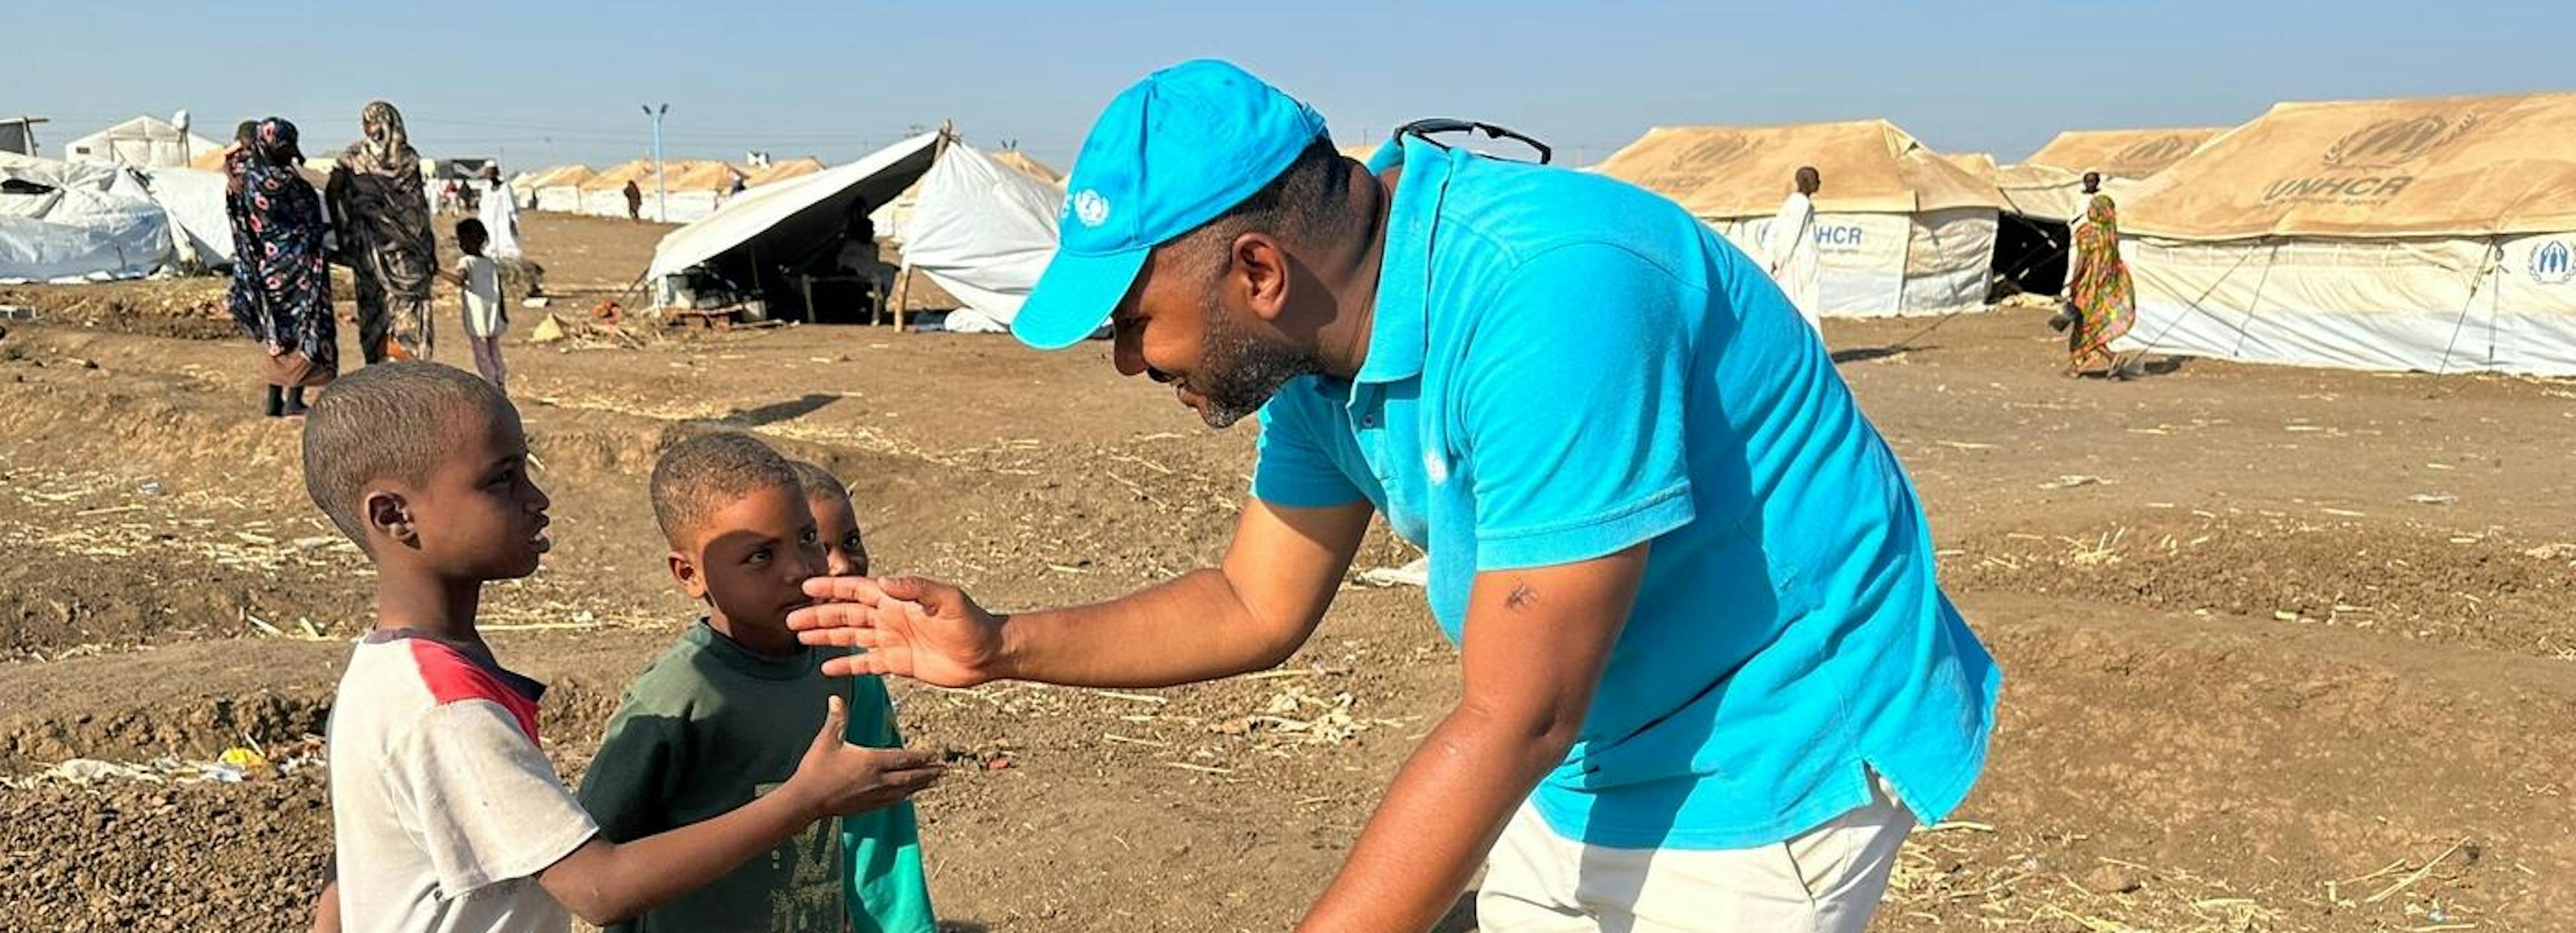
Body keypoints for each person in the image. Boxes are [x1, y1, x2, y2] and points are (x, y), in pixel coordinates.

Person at [791, 60, 1997, 933]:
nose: (1128, 365)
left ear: (1257, 271)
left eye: (1131, 326)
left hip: (1770, 745)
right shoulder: (1322, 357)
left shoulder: (1549, 296)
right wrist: (999, 646)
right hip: (1598, 734)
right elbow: (1252, 602)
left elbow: (1520, 715)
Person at [299, 362, 945, 933]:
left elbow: (350, 865)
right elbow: (598, 889)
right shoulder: (446, 708)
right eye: (502, 481)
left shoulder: (385, 674)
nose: (538, 499)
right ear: (393, 516)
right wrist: (806, 800)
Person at [576, 435, 936, 933]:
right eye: (761, 557)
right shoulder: (679, 697)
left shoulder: (834, 660)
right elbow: (599, 862)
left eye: (807, 538)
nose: (800, 568)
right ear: (689, 575)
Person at [222, 117, 335, 418]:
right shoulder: (283, 183)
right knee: (301, 332)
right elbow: (310, 213)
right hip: (296, 271)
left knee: (277, 335)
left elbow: (231, 161)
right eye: (285, 146)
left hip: (265, 270)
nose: (291, 152)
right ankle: (293, 400)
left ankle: (274, 402)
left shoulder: (243, 179)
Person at [327, 100, 440, 364]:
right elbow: (333, 191)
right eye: (366, 122)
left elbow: (418, 207)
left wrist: (429, 248)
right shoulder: (354, 157)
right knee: (376, 305)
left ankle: (408, 370)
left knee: (408, 307)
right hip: (372, 248)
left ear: (389, 123)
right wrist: (342, 230)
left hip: (407, 249)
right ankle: (380, 370)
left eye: (374, 121)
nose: (369, 128)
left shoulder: (407, 158)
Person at [2062, 193, 2139, 379]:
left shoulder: (2087, 232)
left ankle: (2110, 358)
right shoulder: (2110, 234)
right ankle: (2076, 367)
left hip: (2090, 286)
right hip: (2107, 287)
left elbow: (2082, 260)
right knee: (2089, 325)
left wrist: (2073, 281)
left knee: (2085, 326)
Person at [437, 218, 510, 389]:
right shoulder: (490, 264)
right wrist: (503, 313)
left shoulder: (466, 262)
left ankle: (491, 382)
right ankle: (500, 378)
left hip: (477, 313)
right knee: (494, 348)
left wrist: (438, 272)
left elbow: (459, 280)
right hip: (493, 311)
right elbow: (499, 290)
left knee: (481, 351)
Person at [1763, 165, 1824, 335]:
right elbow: (1789, 235)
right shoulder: (1800, 204)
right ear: (1807, 181)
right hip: (1796, 267)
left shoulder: (1798, 203)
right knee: (1803, 307)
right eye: (1816, 179)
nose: (1819, 183)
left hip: (1797, 265)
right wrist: (1779, 262)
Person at [477, 162, 526, 261]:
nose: (489, 175)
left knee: (506, 238)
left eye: (491, 172)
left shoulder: (505, 187)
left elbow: (511, 205)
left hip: (503, 218)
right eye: (487, 173)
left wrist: (512, 220)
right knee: (491, 239)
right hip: (489, 219)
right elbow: (483, 206)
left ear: (497, 173)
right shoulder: (486, 188)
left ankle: (507, 258)